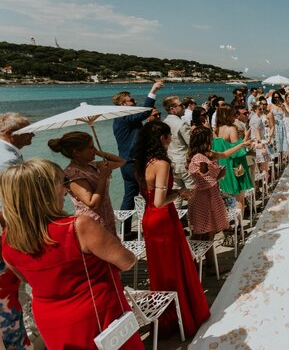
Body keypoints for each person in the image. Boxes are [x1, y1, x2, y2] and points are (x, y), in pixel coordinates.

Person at [0, 159, 144, 350]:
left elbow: (24, 278)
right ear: (46, 191)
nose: (66, 189)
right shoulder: (78, 227)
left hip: (51, 320)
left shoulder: (8, 239)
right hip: (96, 313)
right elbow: (127, 261)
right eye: (62, 182)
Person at [133, 121, 210, 337]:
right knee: (175, 265)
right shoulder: (162, 163)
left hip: (148, 218)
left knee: (160, 268)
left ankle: (167, 316)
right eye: (169, 136)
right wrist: (180, 193)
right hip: (162, 218)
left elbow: (150, 197)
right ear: (162, 139)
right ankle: (183, 314)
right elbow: (159, 201)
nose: (172, 140)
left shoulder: (142, 162)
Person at [0, 112, 34, 350]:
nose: (34, 133)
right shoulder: (8, 158)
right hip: (8, 236)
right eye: (29, 130)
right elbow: (10, 206)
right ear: (13, 133)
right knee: (12, 292)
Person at [48, 131, 126, 235]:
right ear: (76, 152)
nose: (94, 150)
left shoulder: (92, 166)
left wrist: (98, 152)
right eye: (90, 147)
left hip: (107, 219)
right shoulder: (73, 174)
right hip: (92, 224)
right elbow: (92, 204)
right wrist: (102, 176)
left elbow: (121, 161)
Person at [112, 81, 163, 238]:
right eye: (132, 100)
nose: (135, 102)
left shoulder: (121, 119)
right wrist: (153, 90)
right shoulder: (124, 116)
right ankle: (154, 227)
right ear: (123, 103)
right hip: (134, 163)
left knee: (129, 197)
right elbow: (145, 111)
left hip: (126, 163)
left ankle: (125, 231)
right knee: (151, 194)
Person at [186, 126, 246, 240]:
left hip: (210, 195)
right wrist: (219, 176)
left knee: (209, 231)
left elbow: (224, 154)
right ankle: (192, 256)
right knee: (202, 230)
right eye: (210, 138)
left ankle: (208, 257)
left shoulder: (205, 154)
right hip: (204, 198)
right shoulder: (200, 159)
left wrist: (241, 144)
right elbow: (204, 182)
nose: (212, 140)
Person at [213, 106, 253, 215]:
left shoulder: (215, 130)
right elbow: (237, 151)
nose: (235, 117)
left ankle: (229, 223)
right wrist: (245, 138)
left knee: (227, 196)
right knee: (239, 197)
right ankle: (239, 226)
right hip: (236, 165)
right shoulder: (231, 129)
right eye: (233, 114)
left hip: (222, 165)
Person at [162, 95, 194, 209]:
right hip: (183, 162)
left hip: (171, 162)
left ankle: (176, 221)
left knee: (176, 195)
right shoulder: (182, 124)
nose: (184, 107)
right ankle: (194, 222)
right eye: (181, 105)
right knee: (192, 193)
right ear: (172, 109)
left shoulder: (164, 123)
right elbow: (191, 144)